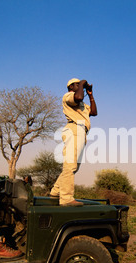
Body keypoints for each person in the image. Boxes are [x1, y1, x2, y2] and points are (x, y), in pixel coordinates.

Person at [50, 78, 98, 206]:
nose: (80, 86)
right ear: (71, 87)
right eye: (77, 85)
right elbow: (78, 97)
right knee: (70, 165)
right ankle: (66, 198)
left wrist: (91, 96)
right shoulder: (68, 96)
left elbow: (94, 112)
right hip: (74, 129)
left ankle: (56, 191)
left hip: (82, 131)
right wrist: (83, 82)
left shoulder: (82, 104)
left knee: (74, 167)